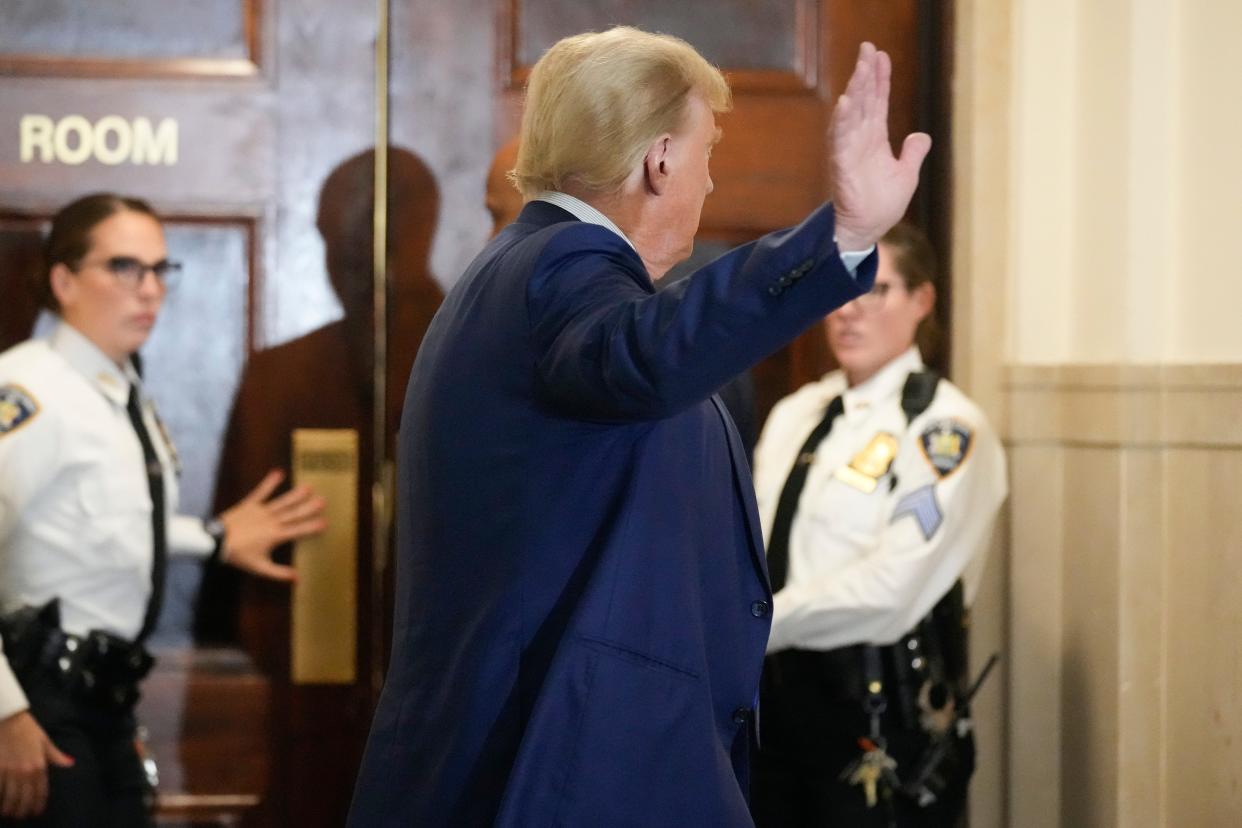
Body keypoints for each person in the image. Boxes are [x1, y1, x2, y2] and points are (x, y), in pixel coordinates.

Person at [348, 27, 929, 826]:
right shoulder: (561, 267)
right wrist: (846, 236)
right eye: (707, 152)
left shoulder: (516, 271)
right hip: (562, 777)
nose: (711, 178)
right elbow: (642, 356)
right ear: (661, 158)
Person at [0, 193, 327, 825]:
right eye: (125, 268)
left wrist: (215, 536)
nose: (150, 290)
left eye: (160, 270)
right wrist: (5, 714)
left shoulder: (121, 391)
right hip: (39, 699)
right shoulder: (29, 392)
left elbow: (102, 523)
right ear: (63, 280)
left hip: (104, 703)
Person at [749, 223, 1008, 826]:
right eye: (841, 289)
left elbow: (894, 587)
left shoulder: (944, 428)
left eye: (876, 289)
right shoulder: (799, 412)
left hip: (874, 707)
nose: (849, 310)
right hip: (772, 704)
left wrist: (755, 624)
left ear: (922, 301)